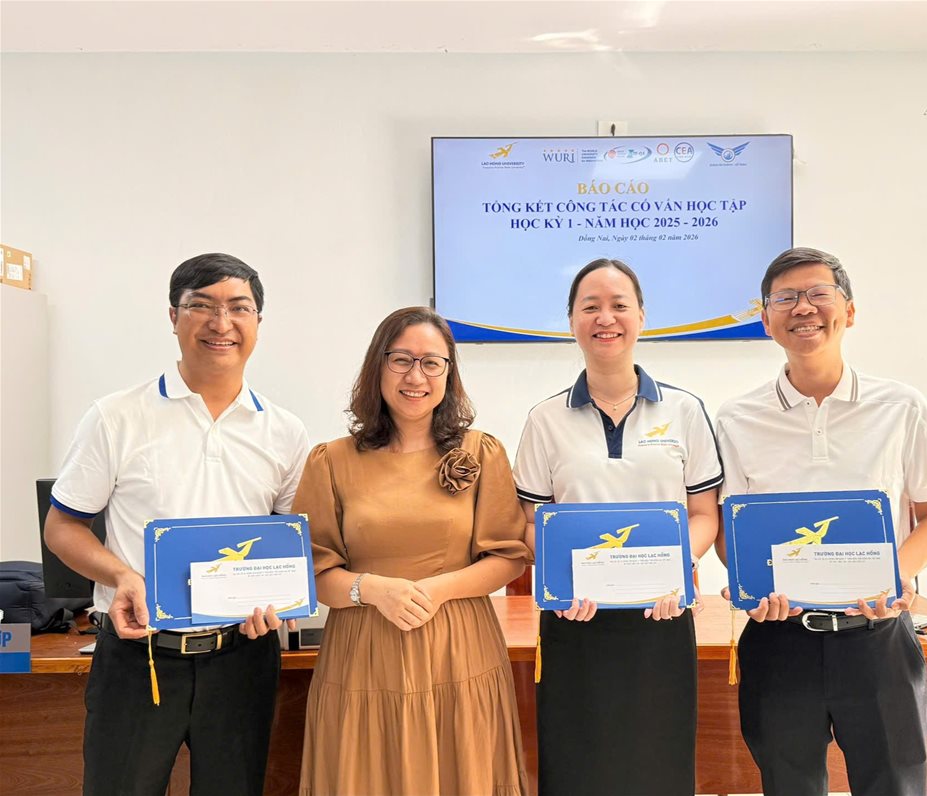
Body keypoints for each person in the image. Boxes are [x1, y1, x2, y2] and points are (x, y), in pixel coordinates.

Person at [44, 253, 311, 796]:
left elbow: (288, 546)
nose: (221, 323)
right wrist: (122, 577)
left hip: (242, 658)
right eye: (202, 306)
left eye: (239, 308)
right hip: (138, 655)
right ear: (173, 316)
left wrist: (280, 600)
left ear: (258, 322)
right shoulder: (116, 416)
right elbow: (62, 527)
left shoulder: (285, 431)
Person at [714, 247, 927, 796]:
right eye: (785, 298)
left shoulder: (901, 406)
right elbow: (732, 532)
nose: (803, 308)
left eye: (818, 294)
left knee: (894, 784)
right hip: (778, 639)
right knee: (789, 785)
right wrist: (749, 581)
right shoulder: (736, 417)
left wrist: (893, 575)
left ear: (849, 311)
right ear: (765, 319)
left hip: (878, 638)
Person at [293, 306, 529, 796]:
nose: (415, 376)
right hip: (363, 652)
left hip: (459, 649)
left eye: (431, 363)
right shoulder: (330, 461)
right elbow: (311, 573)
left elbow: (508, 556)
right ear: (377, 366)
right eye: (400, 360)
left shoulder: (481, 451)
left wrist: (435, 590)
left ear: (449, 372)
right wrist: (372, 589)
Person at [513, 258, 722, 796]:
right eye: (590, 306)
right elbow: (530, 522)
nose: (605, 318)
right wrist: (560, 577)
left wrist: (678, 566)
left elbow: (705, 514)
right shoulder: (545, 419)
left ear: (641, 317)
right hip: (574, 620)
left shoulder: (684, 410)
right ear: (571, 321)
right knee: (576, 767)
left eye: (618, 305)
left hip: (662, 617)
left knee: (659, 767)